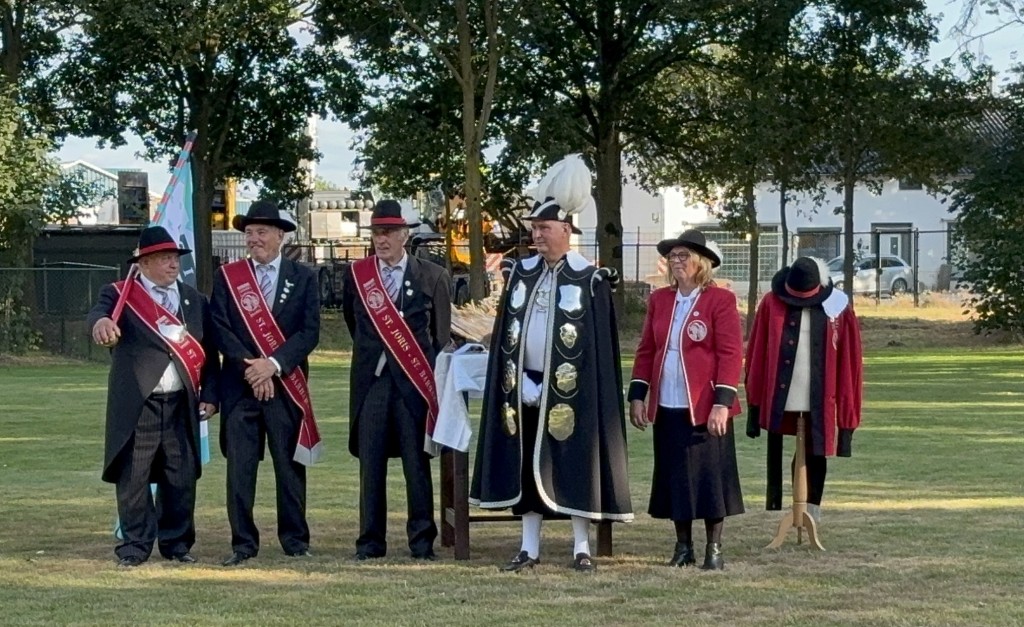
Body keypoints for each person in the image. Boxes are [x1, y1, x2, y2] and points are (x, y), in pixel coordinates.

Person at [470, 155, 633, 573]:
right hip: (523, 388)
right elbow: (507, 335)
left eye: (544, 228)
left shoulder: (590, 280)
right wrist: (521, 379)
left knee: (575, 466)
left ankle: (581, 546)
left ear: (566, 230)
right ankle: (529, 547)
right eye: (534, 228)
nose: (536, 235)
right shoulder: (520, 275)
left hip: (572, 394)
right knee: (526, 467)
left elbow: (597, 350)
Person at [88, 225, 220, 567]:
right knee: (134, 476)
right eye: (163, 258)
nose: (173, 264)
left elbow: (209, 352)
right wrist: (101, 324)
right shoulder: (120, 294)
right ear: (143, 264)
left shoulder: (194, 300)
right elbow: (98, 315)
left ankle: (176, 544)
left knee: (180, 476)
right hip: (139, 403)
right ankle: (135, 546)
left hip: (181, 402)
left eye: (174, 257)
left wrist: (211, 394)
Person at [211, 200, 322, 566]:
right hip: (240, 387)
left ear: (279, 236)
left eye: (261, 232)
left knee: (289, 467)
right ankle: (243, 543)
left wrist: (272, 365)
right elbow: (219, 328)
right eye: (249, 233)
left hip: (285, 386)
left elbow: (308, 332)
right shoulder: (228, 277)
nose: (254, 239)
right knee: (240, 469)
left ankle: (295, 541)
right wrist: (253, 368)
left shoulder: (303, 277)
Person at [628, 229, 744, 571]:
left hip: (705, 405)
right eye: (673, 256)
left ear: (701, 262)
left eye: (683, 256)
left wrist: (722, 402)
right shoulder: (660, 300)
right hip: (668, 402)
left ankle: (714, 548)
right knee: (675, 477)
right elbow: (647, 349)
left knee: (710, 478)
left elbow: (730, 353)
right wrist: (638, 395)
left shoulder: (719, 300)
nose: (676, 261)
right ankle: (683, 547)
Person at [343, 199, 451, 561]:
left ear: (405, 235)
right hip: (372, 384)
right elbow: (354, 324)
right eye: (376, 232)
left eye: (388, 232)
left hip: (413, 385)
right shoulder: (357, 275)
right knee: (370, 466)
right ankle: (370, 543)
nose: (381, 239)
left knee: (415, 466)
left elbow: (440, 336)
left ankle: (422, 542)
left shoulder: (433, 276)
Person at [745, 257, 863, 521]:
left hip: (819, 397)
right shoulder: (770, 303)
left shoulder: (838, 309)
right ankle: (787, 508)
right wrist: (755, 406)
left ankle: (811, 511)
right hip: (784, 396)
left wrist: (847, 424)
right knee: (787, 450)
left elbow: (850, 366)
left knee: (814, 449)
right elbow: (757, 353)